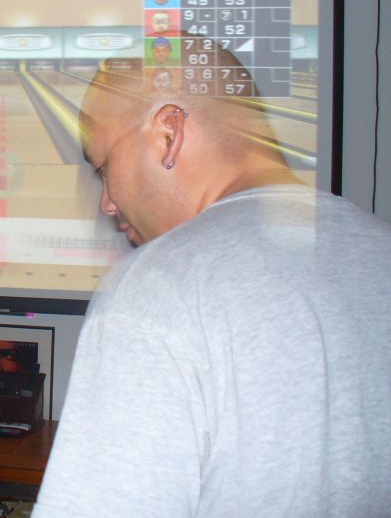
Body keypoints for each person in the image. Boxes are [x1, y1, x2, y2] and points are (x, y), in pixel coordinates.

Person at [32, 57, 391, 516]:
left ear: (168, 133)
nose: (106, 203)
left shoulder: (157, 288)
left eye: (103, 168)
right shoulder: (380, 250)